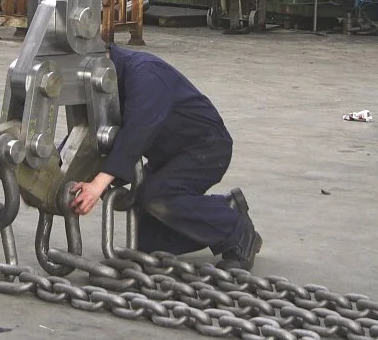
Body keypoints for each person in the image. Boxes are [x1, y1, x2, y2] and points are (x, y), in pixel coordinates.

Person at [71, 43, 262, 270]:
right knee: (148, 242)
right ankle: (225, 208)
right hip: (169, 155)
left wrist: (97, 185)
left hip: (206, 148)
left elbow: (137, 133)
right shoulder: (105, 88)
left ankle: (236, 231)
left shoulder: (145, 74)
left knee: (158, 197)